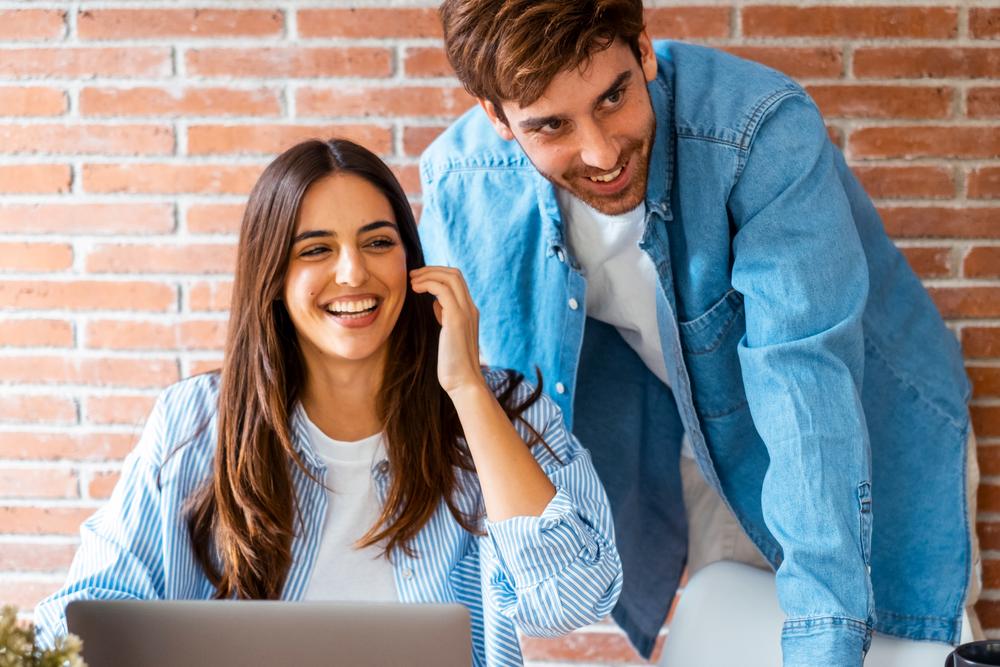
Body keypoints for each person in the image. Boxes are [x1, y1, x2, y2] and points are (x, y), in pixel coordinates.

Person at [417, 1, 980, 665]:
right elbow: (489, 420)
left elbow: (807, 397)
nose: (600, 152)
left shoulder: (758, 132)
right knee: (735, 630)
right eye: (551, 125)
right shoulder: (465, 185)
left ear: (645, 50)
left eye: (613, 96)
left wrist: (825, 640)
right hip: (692, 437)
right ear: (496, 118)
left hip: (865, 423)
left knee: (897, 639)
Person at [34, 138, 623, 667]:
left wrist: (467, 391)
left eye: (377, 242)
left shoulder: (503, 407)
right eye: (315, 249)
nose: (353, 272)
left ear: (411, 263)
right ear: (273, 274)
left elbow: (568, 600)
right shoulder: (195, 420)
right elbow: (88, 612)